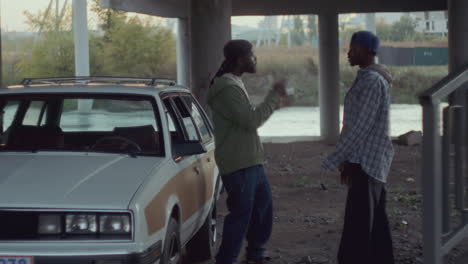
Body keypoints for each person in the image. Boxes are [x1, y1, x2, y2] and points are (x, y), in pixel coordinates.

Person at [207, 39, 288, 264]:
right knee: (241, 215)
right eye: (252, 55)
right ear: (241, 59)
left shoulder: (234, 83)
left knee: (263, 209)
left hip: (251, 160)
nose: (255, 59)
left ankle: (255, 255)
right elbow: (251, 120)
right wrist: (274, 96)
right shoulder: (226, 89)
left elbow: (246, 119)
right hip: (238, 163)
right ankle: (226, 259)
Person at [322, 31, 395, 264]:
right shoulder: (368, 78)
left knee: (359, 227)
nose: (348, 52)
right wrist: (347, 160)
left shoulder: (372, 81)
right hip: (366, 161)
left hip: (368, 162)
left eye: (353, 48)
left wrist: (335, 159)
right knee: (374, 225)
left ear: (367, 51)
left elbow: (359, 127)